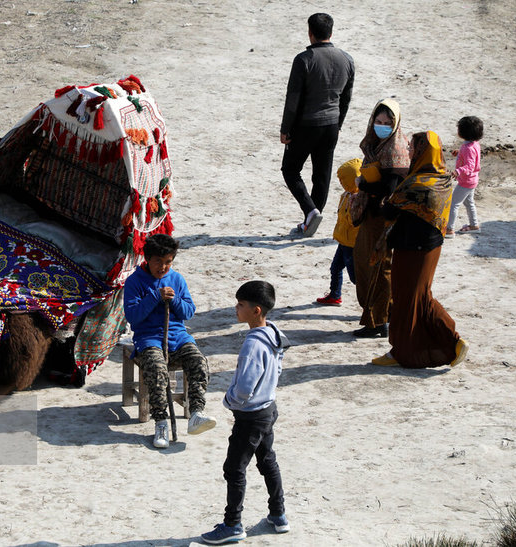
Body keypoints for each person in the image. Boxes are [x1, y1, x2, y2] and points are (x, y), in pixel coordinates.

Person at [201, 281, 290, 545]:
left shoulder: (253, 345)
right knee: (267, 461)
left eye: (240, 304)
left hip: (250, 416)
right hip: (268, 409)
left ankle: (232, 525)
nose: (236, 308)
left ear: (256, 310)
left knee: (234, 469)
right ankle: (278, 515)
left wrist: (231, 400)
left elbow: (245, 386)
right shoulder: (274, 332)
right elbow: (279, 366)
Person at [371, 131, 469, 368]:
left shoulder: (416, 184)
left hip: (411, 249)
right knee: (420, 295)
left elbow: (389, 212)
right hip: (431, 248)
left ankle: (411, 350)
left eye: (413, 148)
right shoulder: (443, 178)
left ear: (423, 152)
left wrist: (383, 196)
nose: (409, 151)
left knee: (406, 299)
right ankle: (449, 342)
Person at [123, 234, 217, 449]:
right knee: (157, 369)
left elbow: (189, 312)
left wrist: (173, 299)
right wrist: (155, 296)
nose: (163, 267)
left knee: (198, 362)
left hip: (178, 337)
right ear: (147, 259)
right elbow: (133, 317)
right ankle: (161, 422)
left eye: (168, 262)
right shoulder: (134, 282)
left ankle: (196, 414)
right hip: (149, 339)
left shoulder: (177, 279)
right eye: (158, 261)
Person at [280, 12, 355, 237]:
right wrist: (339, 123)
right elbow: (346, 97)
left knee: (290, 170)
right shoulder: (347, 59)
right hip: (331, 125)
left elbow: (292, 98)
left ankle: (311, 211)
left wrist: (286, 128)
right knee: (322, 175)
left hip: (305, 126)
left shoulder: (304, 60)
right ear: (330, 32)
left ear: (310, 33)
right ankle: (311, 220)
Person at [352, 99, 410, 338]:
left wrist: (363, 184)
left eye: (387, 123)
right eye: (378, 121)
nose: (382, 126)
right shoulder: (377, 144)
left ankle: (378, 322)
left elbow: (390, 187)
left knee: (378, 267)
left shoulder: (395, 149)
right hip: (372, 213)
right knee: (367, 263)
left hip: (383, 217)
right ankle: (384, 314)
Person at [316, 158, 362, 306]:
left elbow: (353, 222)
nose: (341, 182)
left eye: (344, 180)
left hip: (352, 244)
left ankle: (369, 299)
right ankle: (335, 295)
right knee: (335, 267)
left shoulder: (358, 199)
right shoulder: (346, 195)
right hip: (343, 240)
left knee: (356, 277)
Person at [445, 116, 484, 238]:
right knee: (469, 202)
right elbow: (470, 157)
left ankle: (449, 229)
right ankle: (474, 225)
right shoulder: (473, 144)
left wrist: (457, 171)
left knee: (453, 204)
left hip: (466, 182)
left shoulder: (468, 148)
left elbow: (470, 166)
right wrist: (459, 152)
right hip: (472, 181)